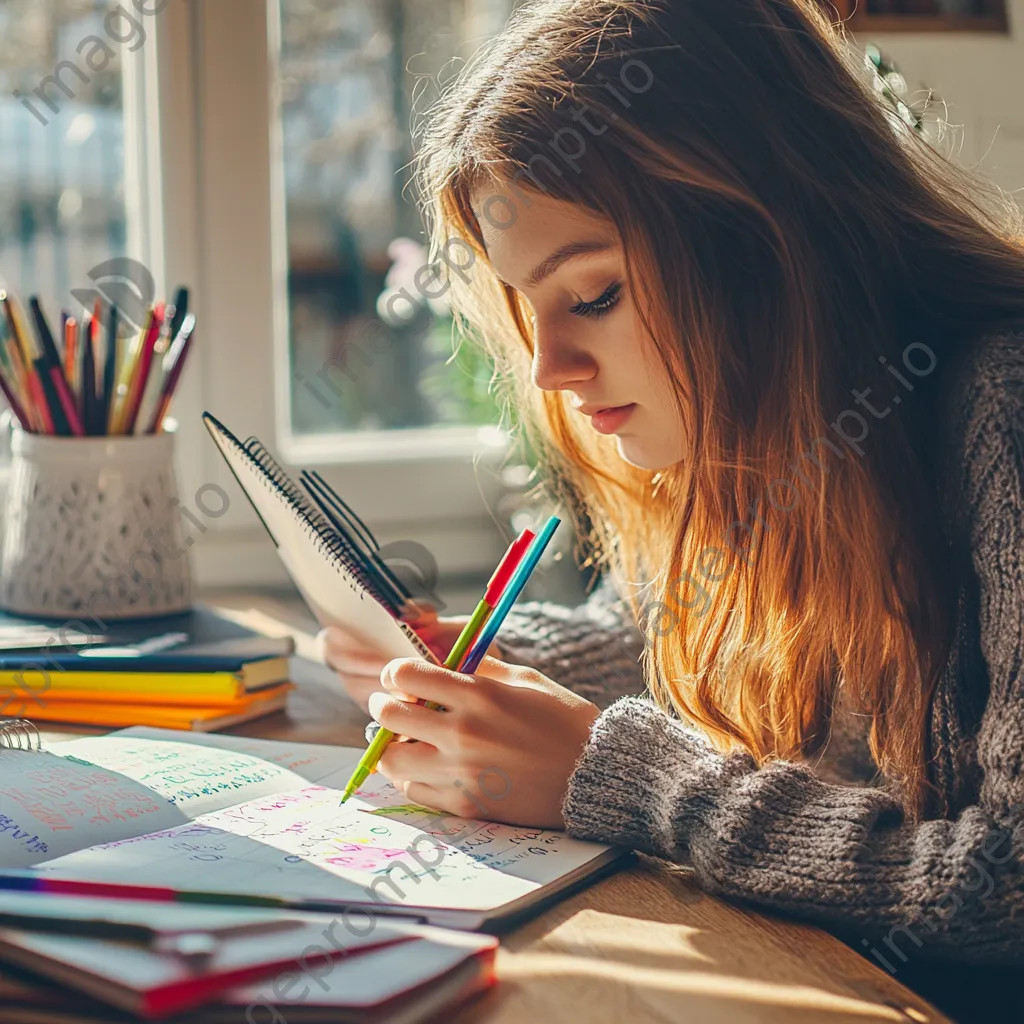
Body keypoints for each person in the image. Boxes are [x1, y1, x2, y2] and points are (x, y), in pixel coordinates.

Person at [318, 0, 1024, 974]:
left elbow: (1006, 890)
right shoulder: (741, 424)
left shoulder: (997, 408)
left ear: (764, 241)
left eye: (595, 295)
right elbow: (668, 634)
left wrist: (625, 777)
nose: (548, 369)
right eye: (528, 309)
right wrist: (486, 657)